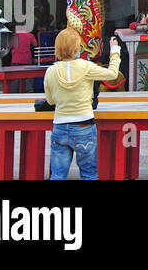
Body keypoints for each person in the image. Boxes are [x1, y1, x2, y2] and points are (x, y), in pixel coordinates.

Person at [43, 28, 121, 180]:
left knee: (57, 175)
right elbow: (112, 74)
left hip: (59, 125)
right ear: (77, 47)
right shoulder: (86, 67)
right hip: (84, 125)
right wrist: (115, 51)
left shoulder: (50, 71)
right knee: (89, 174)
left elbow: (50, 100)